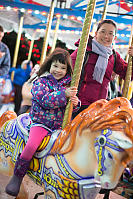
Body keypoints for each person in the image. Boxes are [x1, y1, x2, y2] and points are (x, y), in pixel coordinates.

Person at [5, 47, 81, 197]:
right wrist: (63, 94)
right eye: (55, 66)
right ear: (49, 65)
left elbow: (71, 108)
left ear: (67, 70)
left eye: (63, 67)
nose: (58, 70)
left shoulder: (68, 85)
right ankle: (18, 176)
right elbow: (45, 100)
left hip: (60, 126)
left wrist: (75, 102)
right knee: (32, 145)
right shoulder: (41, 82)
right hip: (41, 123)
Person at [71, 19, 133, 118]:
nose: (106, 36)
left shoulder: (113, 56)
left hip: (100, 106)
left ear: (115, 38)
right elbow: (69, 71)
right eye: (103, 32)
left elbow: (128, 75)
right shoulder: (84, 51)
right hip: (79, 104)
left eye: (110, 33)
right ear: (96, 33)